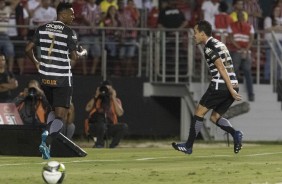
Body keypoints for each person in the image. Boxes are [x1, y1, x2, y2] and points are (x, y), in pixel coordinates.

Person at [25, 2, 87, 159]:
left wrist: (36, 63)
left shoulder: (42, 28)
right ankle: (47, 140)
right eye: (71, 14)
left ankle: (47, 139)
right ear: (62, 14)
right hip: (62, 78)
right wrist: (82, 53)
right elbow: (74, 57)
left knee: (53, 111)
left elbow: (27, 49)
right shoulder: (68, 32)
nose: (73, 16)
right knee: (61, 116)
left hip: (46, 77)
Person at [172, 20, 243, 155]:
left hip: (221, 86)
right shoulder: (220, 43)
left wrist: (231, 91)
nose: (194, 35)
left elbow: (221, 68)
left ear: (203, 34)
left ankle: (188, 146)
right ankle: (236, 134)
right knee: (214, 117)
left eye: (195, 32)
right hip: (233, 83)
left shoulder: (209, 47)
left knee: (199, 113)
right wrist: (233, 88)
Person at [85, 80, 128, 148]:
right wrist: (96, 96)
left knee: (123, 126)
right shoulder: (97, 99)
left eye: (107, 88)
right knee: (101, 121)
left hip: (108, 126)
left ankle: (113, 146)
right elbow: (87, 108)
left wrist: (113, 97)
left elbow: (120, 113)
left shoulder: (116, 100)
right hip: (96, 126)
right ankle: (99, 145)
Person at [228, 10, 255, 101]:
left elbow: (231, 39)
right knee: (247, 72)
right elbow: (251, 40)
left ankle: (234, 94)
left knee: (235, 73)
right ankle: (250, 95)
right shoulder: (250, 26)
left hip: (237, 51)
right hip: (244, 52)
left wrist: (241, 49)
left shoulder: (232, 26)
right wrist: (245, 49)